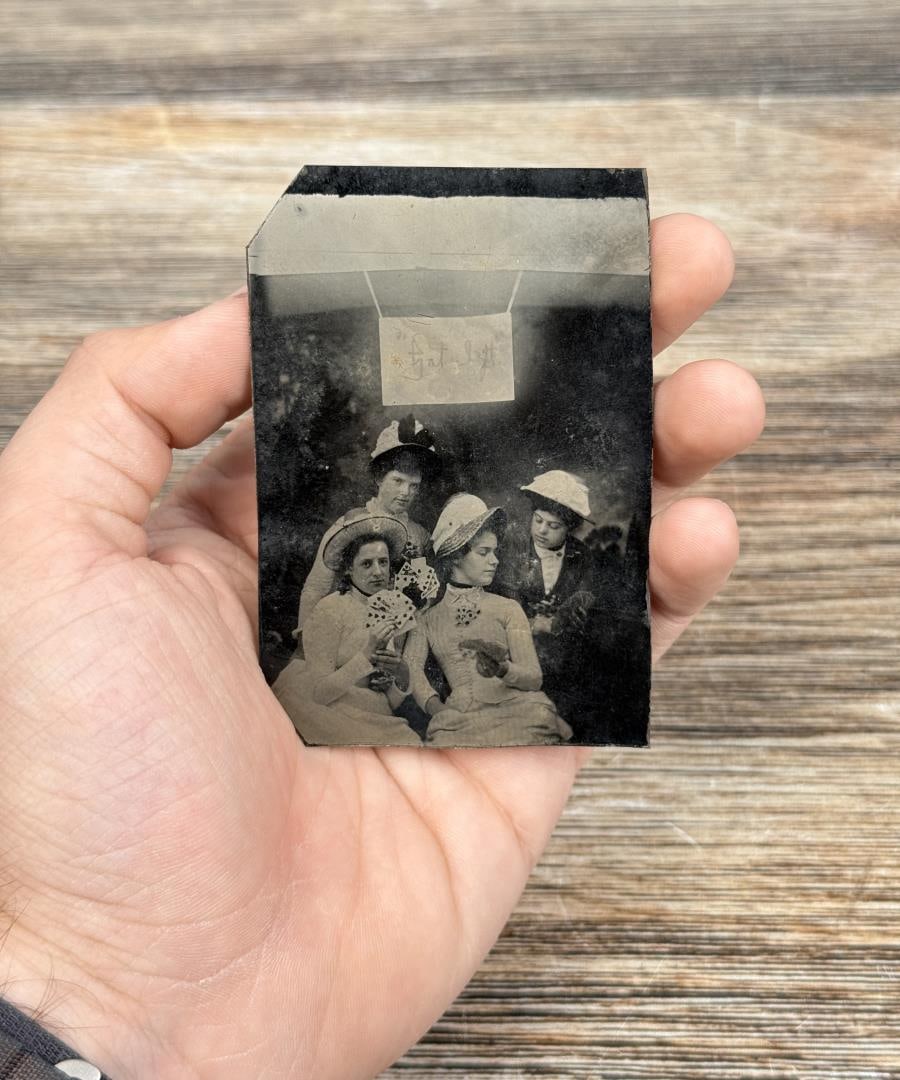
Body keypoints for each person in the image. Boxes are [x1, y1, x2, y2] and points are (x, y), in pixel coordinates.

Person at [0, 214, 764, 1079]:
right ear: (378, 480)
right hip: (338, 694)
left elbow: (437, 635)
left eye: (415, 477)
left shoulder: (452, 567)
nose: (404, 485)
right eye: (395, 474)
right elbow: (345, 620)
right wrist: (94, 979)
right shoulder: (354, 542)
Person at [404, 494, 573, 747]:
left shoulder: (507, 608)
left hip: (519, 711)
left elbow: (534, 678)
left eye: (495, 552)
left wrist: (503, 669)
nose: (494, 560)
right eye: (484, 552)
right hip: (460, 717)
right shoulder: (428, 617)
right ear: (456, 556)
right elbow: (411, 669)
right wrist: (437, 709)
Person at [273, 509, 423, 746]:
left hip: (371, 711)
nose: (378, 571)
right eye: (366, 564)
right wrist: (366, 656)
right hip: (326, 706)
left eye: (383, 562)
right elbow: (319, 694)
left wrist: (401, 675)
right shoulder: (330, 610)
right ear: (348, 569)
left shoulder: (396, 609)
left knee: (411, 743)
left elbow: (388, 703)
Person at [296, 415, 440, 631]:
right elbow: (316, 587)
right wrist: (304, 639)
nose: (405, 493)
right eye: (398, 481)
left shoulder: (419, 536)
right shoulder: (351, 523)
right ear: (379, 478)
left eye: (414, 486)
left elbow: (427, 595)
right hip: (347, 631)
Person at [496, 470, 602, 732]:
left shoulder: (582, 555)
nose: (542, 530)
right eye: (538, 520)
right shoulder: (513, 547)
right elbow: (507, 600)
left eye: (553, 526)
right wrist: (534, 623)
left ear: (568, 529)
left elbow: (585, 597)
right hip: (520, 645)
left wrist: (567, 616)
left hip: (565, 653)